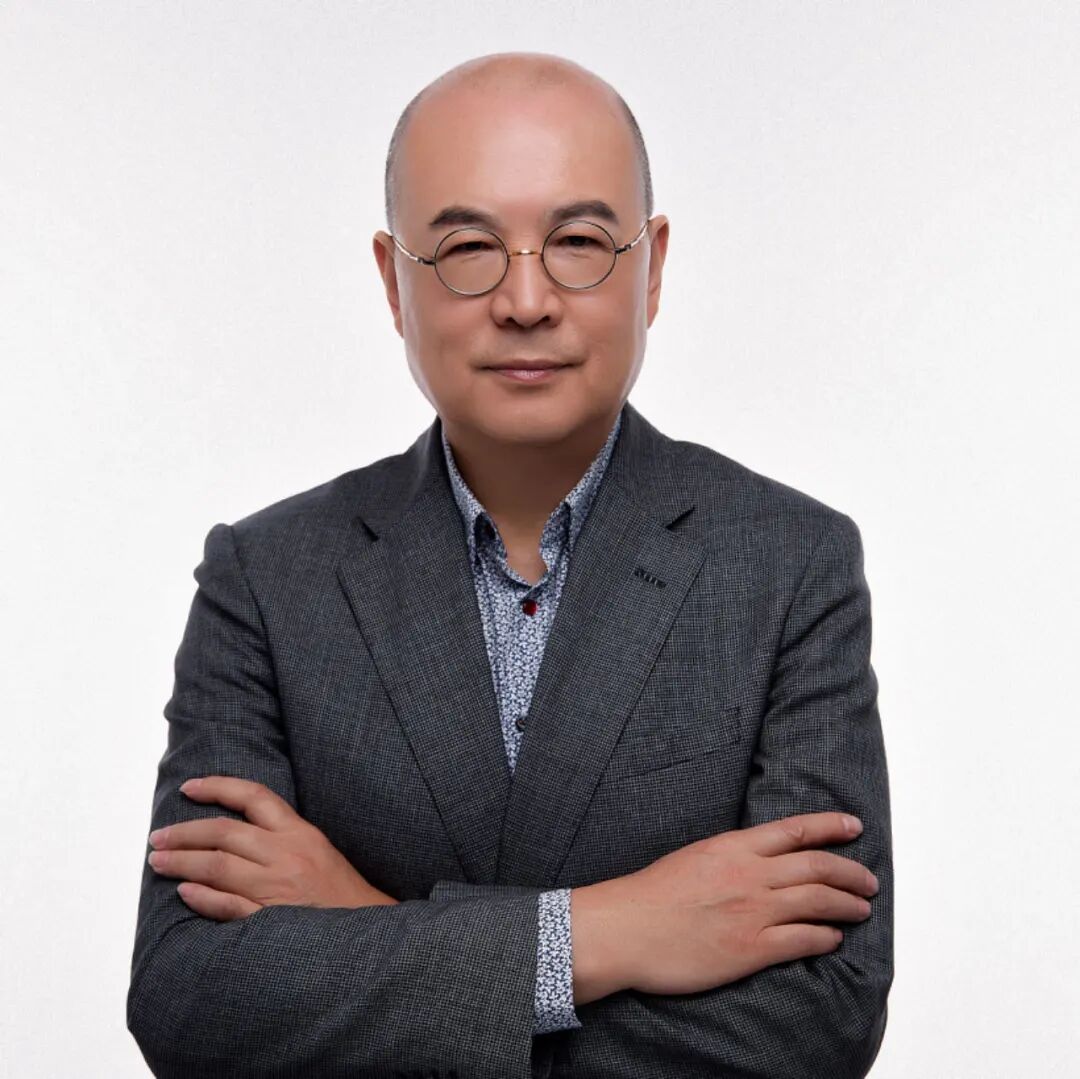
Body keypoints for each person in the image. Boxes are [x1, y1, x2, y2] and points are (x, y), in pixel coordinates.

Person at [127, 50, 893, 1079]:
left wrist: (362, 920)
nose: (526, 299)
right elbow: (188, 1000)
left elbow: (818, 1026)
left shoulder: (789, 562)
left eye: (579, 242)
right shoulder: (265, 579)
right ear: (393, 280)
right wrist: (605, 932)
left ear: (653, 266)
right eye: (467, 249)